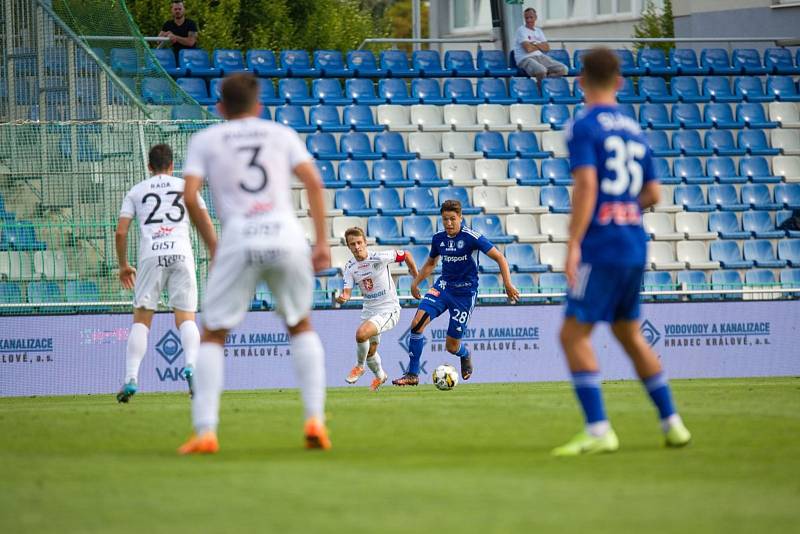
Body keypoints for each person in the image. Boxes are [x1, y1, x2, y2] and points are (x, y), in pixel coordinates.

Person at [179, 73, 332, 454]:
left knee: (214, 333)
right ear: (258, 106)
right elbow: (313, 183)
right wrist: (323, 242)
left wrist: (214, 243)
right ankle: (315, 420)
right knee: (300, 324)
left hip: (239, 239)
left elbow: (189, 196)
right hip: (285, 236)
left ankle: (206, 432)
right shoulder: (280, 134)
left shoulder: (205, 140)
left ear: (220, 107)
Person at [552, 47, 691, 456]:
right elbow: (653, 193)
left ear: (580, 81)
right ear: (620, 82)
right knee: (629, 333)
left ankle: (598, 430)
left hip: (603, 244)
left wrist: (574, 242)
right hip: (634, 241)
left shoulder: (583, 125)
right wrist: (625, 206)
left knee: (572, 333)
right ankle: (673, 423)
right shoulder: (633, 128)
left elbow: (587, 186)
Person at [114, 143, 216, 403]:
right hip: (181, 254)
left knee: (142, 320)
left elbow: (121, 231)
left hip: (150, 257)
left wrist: (124, 265)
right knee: (186, 319)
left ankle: (131, 379)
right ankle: (191, 366)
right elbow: (204, 221)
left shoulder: (136, 191)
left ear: (149, 167)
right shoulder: (186, 187)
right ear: (172, 166)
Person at [392, 200, 520, 386]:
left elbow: (499, 257)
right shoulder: (438, 238)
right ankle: (412, 374)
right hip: (443, 287)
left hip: (465, 294)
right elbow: (430, 263)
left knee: (451, 347)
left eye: (453, 219)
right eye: (445, 219)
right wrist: (415, 283)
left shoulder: (471, 237)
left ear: (460, 218)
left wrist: (507, 284)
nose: (449, 223)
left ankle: (465, 353)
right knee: (416, 324)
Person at [336, 227, 419, 391]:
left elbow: (406, 255)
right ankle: (381, 376)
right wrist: (343, 297)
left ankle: (359, 367)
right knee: (370, 351)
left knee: (361, 334)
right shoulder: (350, 267)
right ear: (348, 247)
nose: (357, 246)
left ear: (365, 243)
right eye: (353, 244)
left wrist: (415, 277)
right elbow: (346, 292)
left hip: (389, 309)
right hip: (369, 311)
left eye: (359, 242)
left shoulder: (379, 257)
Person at [513, 7, 568, 82]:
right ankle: (541, 91)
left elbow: (547, 48)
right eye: (526, 18)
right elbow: (528, 49)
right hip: (525, 58)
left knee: (563, 69)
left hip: (540, 56)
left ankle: (545, 83)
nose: (528, 20)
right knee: (541, 71)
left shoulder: (538, 31)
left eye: (531, 17)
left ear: (535, 18)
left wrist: (534, 44)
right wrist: (539, 45)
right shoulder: (521, 30)